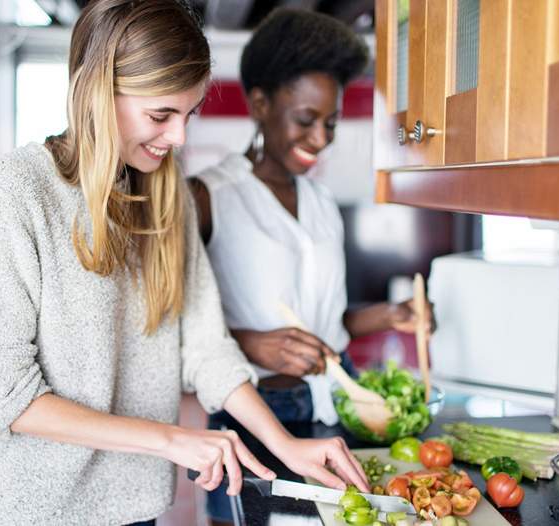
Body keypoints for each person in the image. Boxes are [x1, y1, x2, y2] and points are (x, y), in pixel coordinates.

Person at [0, 2, 369, 525]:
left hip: (139, 505)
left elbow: (207, 346)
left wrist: (285, 443)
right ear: (97, 93)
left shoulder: (168, 200)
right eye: (160, 115)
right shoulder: (16, 192)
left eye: (188, 115)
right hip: (41, 511)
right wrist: (172, 440)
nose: (179, 138)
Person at [188, 8, 433, 524]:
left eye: (331, 123)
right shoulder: (207, 197)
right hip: (248, 417)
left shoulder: (322, 204)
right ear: (259, 104)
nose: (320, 139)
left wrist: (391, 316)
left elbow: (326, 325)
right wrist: (253, 343)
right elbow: (174, 333)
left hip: (328, 409)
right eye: (305, 120)